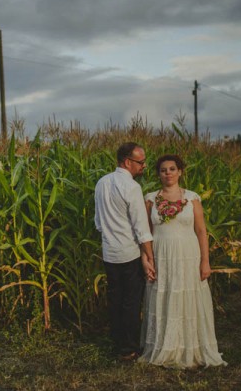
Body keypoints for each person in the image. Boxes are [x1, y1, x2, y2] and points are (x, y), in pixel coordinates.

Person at [138, 154, 227, 368]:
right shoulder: (150, 199)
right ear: (158, 174)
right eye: (163, 170)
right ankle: (164, 346)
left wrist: (205, 262)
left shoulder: (192, 198)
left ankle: (191, 347)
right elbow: (145, 233)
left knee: (188, 297)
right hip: (161, 255)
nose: (168, 173)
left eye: (172, 169)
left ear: (180, 172)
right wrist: (145, 258)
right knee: (164, 295)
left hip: (188, 255)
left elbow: (201, 231)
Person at [94, 142, 156, 361]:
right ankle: (129, 348)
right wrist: (149, 256)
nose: (144, 166)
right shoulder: (132, 187)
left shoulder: (101, 182)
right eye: (141, 162)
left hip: (109, 253)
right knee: (131, 301)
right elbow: (142, 228)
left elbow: (98, 223)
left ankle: (118, 343)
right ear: (128, 161)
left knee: (116, 299)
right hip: (129, 253)